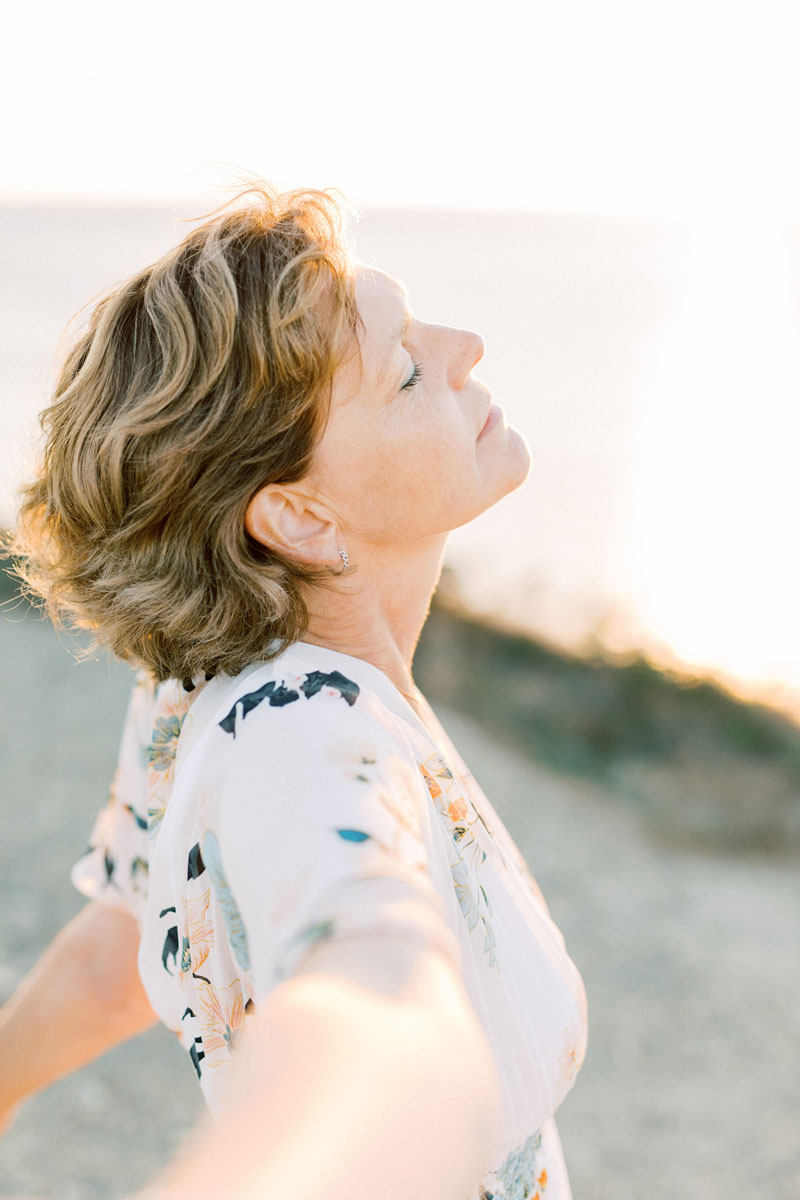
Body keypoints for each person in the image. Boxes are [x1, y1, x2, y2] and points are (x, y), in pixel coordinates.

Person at [0, 183, 588, 1200]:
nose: (466, 347)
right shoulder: (305, 734)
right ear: (300, 518)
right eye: (405, 369)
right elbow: (371, 1004)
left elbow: (123, 948)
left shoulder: (198, 679)